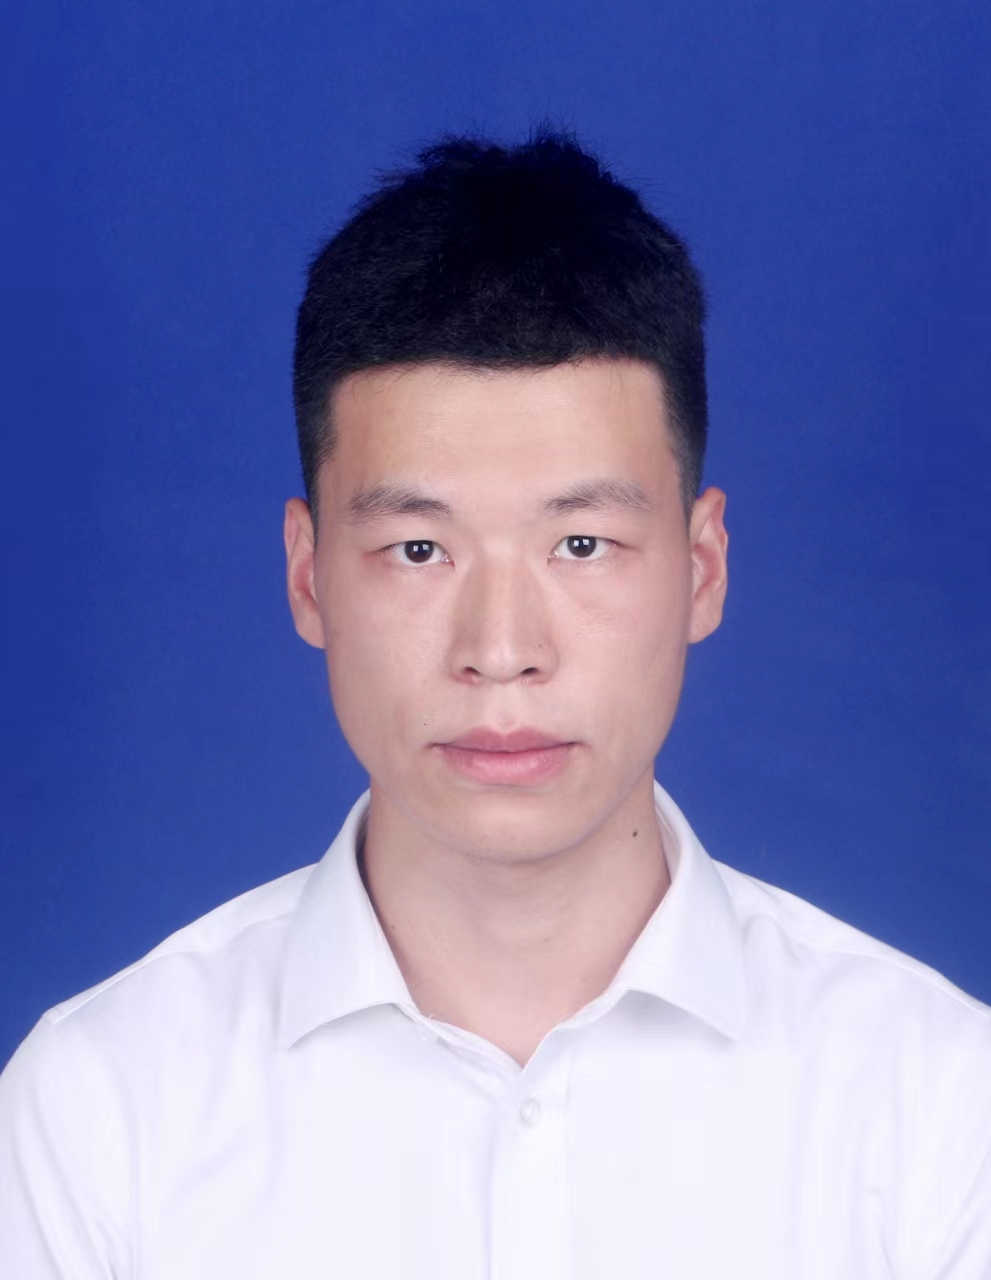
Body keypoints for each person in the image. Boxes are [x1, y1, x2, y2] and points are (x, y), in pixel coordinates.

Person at [1, 132, 989, 1279]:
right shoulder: (98, 1116)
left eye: (582, 543)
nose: (501, 651)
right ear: (308, 576)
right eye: (418, 548)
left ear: (702, 567)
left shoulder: (934, 1110)